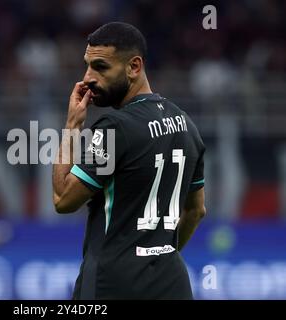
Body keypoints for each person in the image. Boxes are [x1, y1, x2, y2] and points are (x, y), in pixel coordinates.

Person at [52, 22, 206, 299]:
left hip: (112, 283)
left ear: (134, 67)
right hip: (172, 283)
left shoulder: (115, 127)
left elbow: (63, 200)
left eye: (100, 67)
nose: (87, 78)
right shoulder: (186, 123)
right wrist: (159, 258)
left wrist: (72, 126)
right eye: (87, 65)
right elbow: (196, 211)